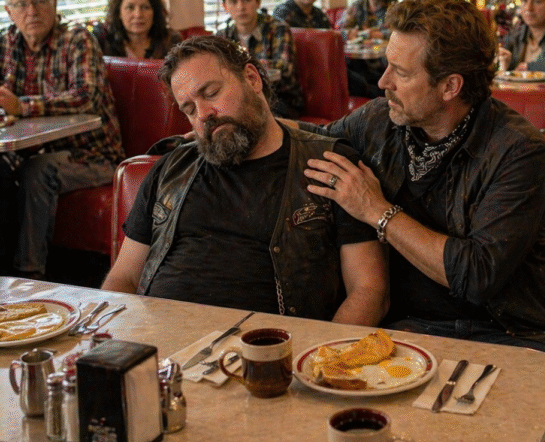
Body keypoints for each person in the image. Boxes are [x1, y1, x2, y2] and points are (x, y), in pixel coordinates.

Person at [298, 0, 545, 442]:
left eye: (400, 72)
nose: (383, 82)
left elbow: (477, 275)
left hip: (517, 335)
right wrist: (233, 121)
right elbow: (309, 142)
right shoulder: (381, 121)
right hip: (409, 332)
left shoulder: (517, 150)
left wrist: (377, 211)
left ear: (450, 86)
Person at [101, 36, 388, 325]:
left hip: (272, 345)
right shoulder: (171, 169)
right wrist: (111, 337)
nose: (203, 115)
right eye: (189, 109)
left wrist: (324, 351)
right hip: (160, 341)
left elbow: (369, 291)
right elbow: (124, 277)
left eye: (211, 93)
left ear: (252, 78)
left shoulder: (329, 164)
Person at [0, 0, 124, 278]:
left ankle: (29, 277)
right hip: (30, 149)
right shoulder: (7, 44)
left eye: (40, 2)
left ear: (55, 5)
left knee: (38, 172)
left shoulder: (77, 39)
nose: (32, 11)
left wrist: (22, 106)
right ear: (9, 11)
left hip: (92, 155)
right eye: (22, 4)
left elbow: (86, 98)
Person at [216, 0, 304, 119]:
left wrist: (238, 73)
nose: (241, 7)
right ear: (225, 6)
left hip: (281, 100)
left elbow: (284, 70)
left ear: (258, 2)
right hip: (241, 101)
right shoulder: (222, 37)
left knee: (247, 117)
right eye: (233, 1)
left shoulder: (278, 29)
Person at [337, 0, 397, 98]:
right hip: (360, 66)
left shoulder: (395, 7)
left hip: (385, 68)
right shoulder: (357, 7)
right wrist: (363, 34)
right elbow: (339, 34)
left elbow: (398, 34)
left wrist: (369, 34)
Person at [92, 0, 182, 60]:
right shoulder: (102, 41)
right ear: (118, 12)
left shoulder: (171, 43)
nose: (138, 14)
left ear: (155, 12)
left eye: (145, 7)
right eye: (130, 7)